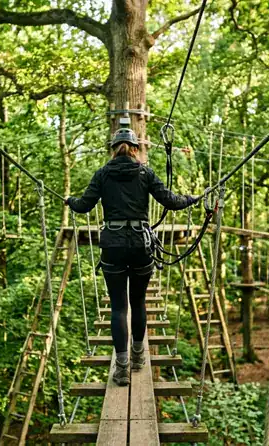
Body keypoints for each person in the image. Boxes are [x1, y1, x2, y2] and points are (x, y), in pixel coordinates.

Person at [64, 128, 202, 386]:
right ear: (135, 149)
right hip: (140, 244)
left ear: (114, 149)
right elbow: (170, 201)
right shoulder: (145, 173)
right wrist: (192, 199)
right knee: (138, 302)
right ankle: (138, 358)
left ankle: (122, 367)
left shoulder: (103, 174)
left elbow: (84, 205)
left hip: (113, 246)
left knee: (118, 307)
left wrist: (70, 201)